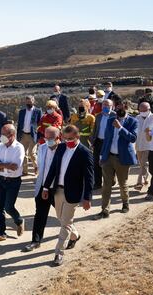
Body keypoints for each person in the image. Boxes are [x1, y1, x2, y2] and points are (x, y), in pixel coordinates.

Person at [42, 125, 94, 266]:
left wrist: (87, 198)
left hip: (73, 193)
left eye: (70, 139)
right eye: (65, 139)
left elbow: (89, 177)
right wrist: (46, 187)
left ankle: (58, 252)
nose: (67, 141)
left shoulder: (85, 153)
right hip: (58, 191)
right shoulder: (61, 148)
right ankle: (75, 235)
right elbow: (53, 169)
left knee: (65, 223)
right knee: (61, 218)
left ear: (77, 136)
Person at [94, 97, 138, 219]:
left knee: (122, 183)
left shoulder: (133, 122)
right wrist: (102, 156)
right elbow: (107, 139)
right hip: (108, 157)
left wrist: (120, 128)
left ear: (127, 109)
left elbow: (133, 138)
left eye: (122, 108)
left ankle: (125, 204)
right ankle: (105, 210)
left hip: (122, 158)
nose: (119, 111)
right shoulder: (110, 120)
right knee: (106, 184)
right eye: (117, 108)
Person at [23, 126, 60, 252]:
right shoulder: (42, 148)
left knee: (63, 216)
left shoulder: (63, 150)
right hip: (43, 187)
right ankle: (36, 240)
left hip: (57, 189)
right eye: (46, 137)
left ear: (58, 138)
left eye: (51, 138)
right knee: (39, 215)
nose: (48, 140)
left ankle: (73, 235)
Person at [0, 124, 25, 242]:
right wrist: (3, 166)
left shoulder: (19, 148)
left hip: (13, 181)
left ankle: (19, 220)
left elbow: (15, 167)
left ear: (12, 135)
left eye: (4, 135)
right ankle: (1, 233)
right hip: (0, 180)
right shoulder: (0, 146)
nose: (1, 137)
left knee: (8, 207)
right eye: (1, 134)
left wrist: (0, 165)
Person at [91, 99, 116, 190]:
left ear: (112, 106)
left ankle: (112, 179)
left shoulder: (115, 116)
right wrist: (92, 141)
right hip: (99, 142)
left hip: (109, 143)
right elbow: (95, 129)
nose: (105, 107)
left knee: (110, 162)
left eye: (108, 105)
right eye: (104, 105)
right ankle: (98, 183)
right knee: (96, 163)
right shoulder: (98, 116)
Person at [16, 95, 42, 175]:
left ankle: (36, 167)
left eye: (30, 102)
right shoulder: (22, 111)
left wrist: (39, 136)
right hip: (23, 135)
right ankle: (25, 171)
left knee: (32, 153)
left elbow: (40, 124)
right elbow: (19, 124)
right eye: (27, 102)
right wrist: (18, 135)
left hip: (32, 135)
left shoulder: (38, 111)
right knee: (23, 153)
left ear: (33, 101)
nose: (28, 103)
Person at [134, 102, 153, 191]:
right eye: (141, 110)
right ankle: (149, 179)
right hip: (138, 145)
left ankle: (140, 182)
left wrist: (149, 132)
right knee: (142, 164)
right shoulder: (137, 118)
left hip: (149, 145)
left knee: (144, 163)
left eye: (144, 110)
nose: (142, 112)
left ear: (149, 109)